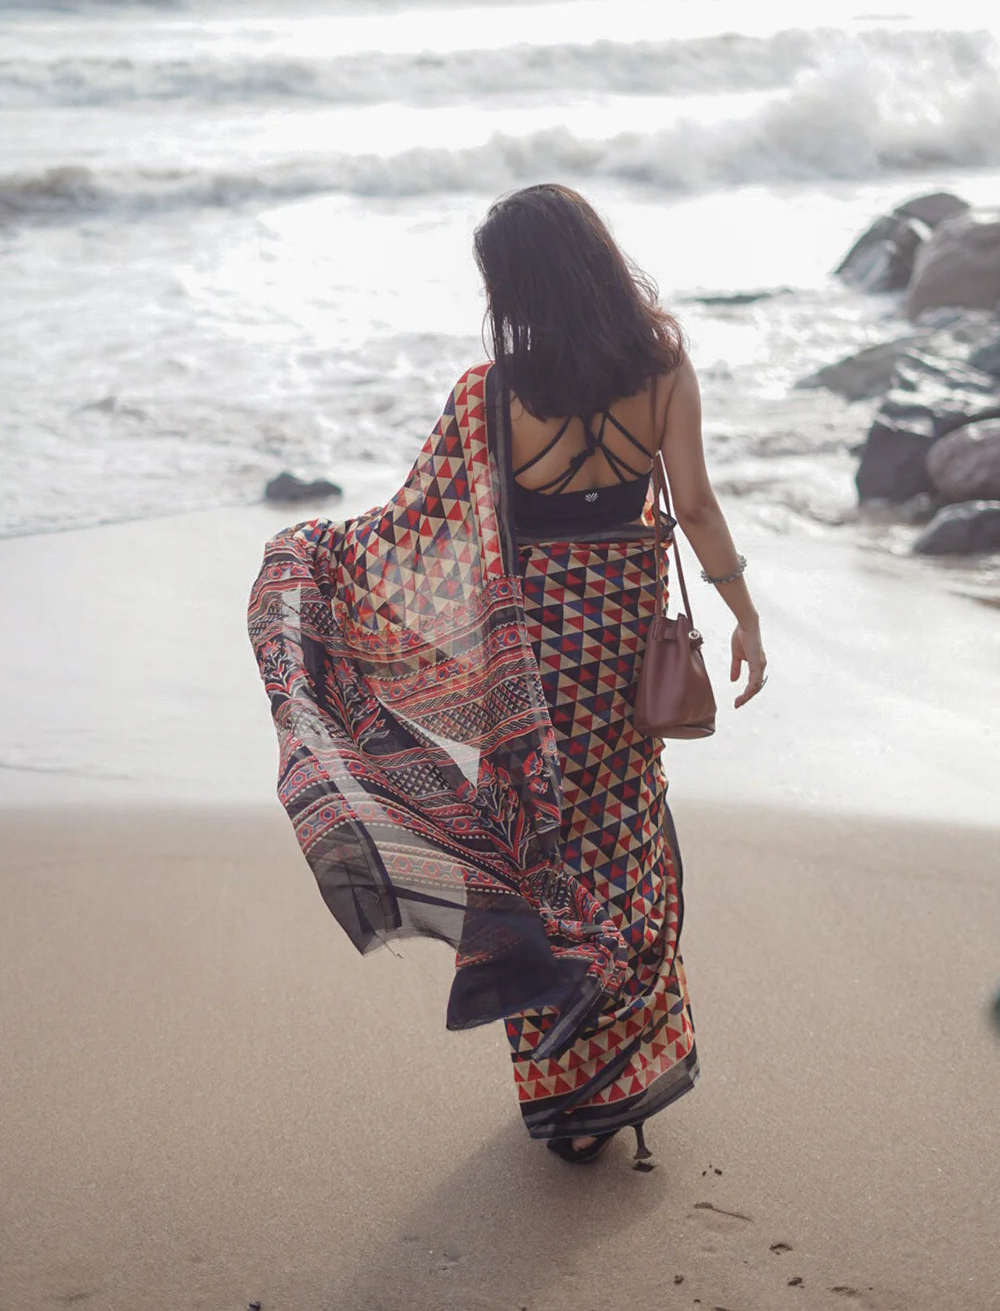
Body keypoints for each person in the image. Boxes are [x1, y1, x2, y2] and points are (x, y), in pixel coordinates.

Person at [248, 182, 766, 1172]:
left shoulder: (487, 395)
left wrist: (311, 560)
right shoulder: (661, 365)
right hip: (621, 662)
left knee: (537, 852)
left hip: (528, 677)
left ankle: (568, 1090)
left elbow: (413, 531)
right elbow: (694, 506)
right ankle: (625, 1060)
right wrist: (741, 612)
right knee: (625, 836)